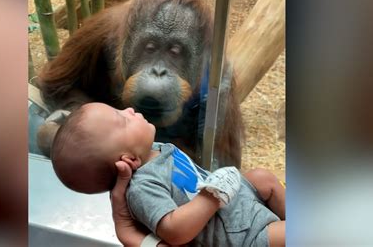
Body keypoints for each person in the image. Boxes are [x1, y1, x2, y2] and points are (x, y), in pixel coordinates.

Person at [51, 102, 286, 246]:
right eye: (122, 119)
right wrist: (213, 195)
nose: (129, 109)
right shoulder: (142, 187)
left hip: (234, 209)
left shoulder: (157, 151)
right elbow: (174, 231)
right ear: (128, 159)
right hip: (242, 236)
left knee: (262, 177)